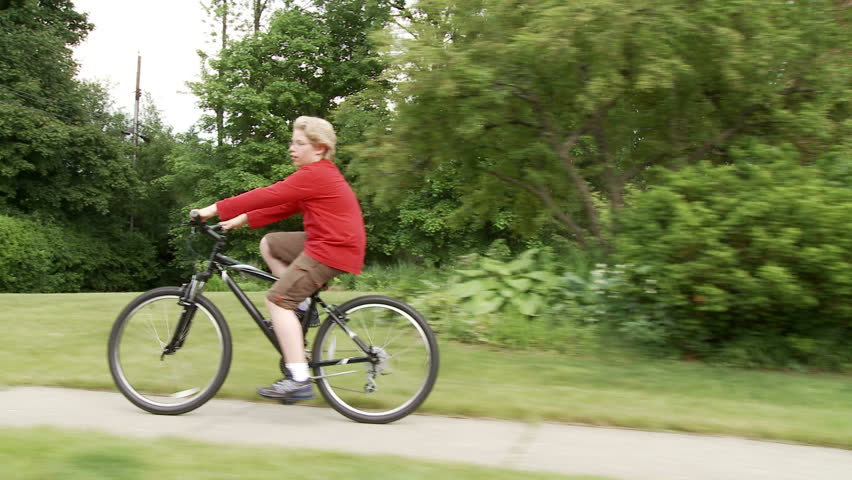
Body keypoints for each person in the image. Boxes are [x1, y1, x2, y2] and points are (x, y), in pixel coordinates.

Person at [194, 116, 366, 402]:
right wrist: (239, 220)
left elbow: (269, 194)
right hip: (330, 241)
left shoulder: (316, 174)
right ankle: (302, 306)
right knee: (270, 244)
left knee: (277, 300)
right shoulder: (318, 175)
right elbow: (284, 205)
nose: (292, 148)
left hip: (332, 247)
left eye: (300, 143)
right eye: (292, 142)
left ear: (320, 148)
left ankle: (299, 378)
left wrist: (212, 210)